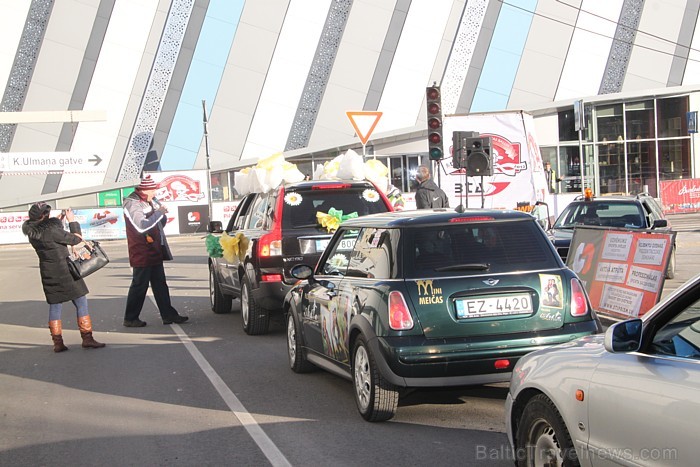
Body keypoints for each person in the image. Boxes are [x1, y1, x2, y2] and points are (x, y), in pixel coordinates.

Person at [22, 203, 106, 352]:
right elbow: (76, 239)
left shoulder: (32, 233)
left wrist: (57, 221)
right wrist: (72, 221)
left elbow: (49, 233)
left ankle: (58, 343)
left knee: (55, 305)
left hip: (48, 272)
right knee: (81, 302)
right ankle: (87, 338)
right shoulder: (53, 230)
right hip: (65, 271)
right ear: (44, 217)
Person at [123, 175, 189, 327]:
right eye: (153, 190)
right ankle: (130, 317)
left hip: (153, 249)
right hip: (141, 250)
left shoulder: (149, 201)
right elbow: (141, 225)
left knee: (160, 284)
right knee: (139, 285)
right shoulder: (132, 203)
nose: (155, 193)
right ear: (145, 189)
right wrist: (159, 213)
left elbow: (157, 223)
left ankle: (168, 315)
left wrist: (161, 215)